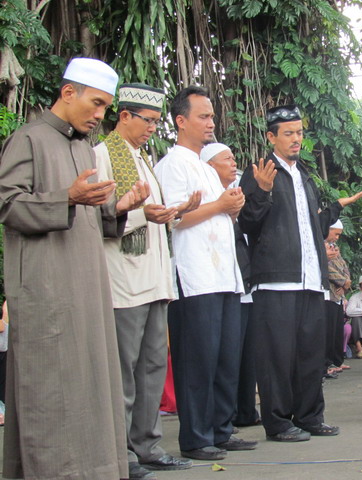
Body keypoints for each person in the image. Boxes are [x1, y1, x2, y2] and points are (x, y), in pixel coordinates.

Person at [0, 57, 150, 479]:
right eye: (97, 104)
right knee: (50, 391)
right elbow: (7, 203)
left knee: (90, 388)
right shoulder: (27, 140)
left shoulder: (82, 146)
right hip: (47, 292)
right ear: (69, 93)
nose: (101, 115)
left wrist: (117, 207)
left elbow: (90, 213)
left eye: (106, 106)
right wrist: (66, 197)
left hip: (87, 288)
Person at [238, 104, 362, 442]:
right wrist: (262, 192)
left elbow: (312, 227)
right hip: (275, 278)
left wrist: (338, 206)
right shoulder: (258, 173)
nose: (296, 139)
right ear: (271, 137)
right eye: (288, 134)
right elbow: (248, 223)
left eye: (299, 132)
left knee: (311, 354)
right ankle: (279, 423)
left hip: (311, 279)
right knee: (277, 357)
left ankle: (310, 416)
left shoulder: (304, 175)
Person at [94, 83, 199, 479]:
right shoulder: (102, 156)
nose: (154, 128)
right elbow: (102, 218)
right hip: (122, 282)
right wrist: (144, 216)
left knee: (153, 365)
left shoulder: (141, 159)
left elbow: (149, 215)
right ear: (124, 116)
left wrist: (176, 212)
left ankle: (148, 445)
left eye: (157, 122)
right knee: (124, 370)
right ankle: (122, 452)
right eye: (149, 121)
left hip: (154, 281)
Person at [155, 86, 255, 461]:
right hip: (195, 277)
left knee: (226, 358)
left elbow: (219, 212)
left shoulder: (207, 169)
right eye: (203, 116)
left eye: (212, 116)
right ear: (181, 121)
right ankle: (196, 437)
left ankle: (221, 429)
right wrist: (219, 205)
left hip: (225, 277)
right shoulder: (172, 164)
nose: (211, 122)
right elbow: (175, 219)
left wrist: (230, 206)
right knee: (197, 360)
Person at [200, 142, 261, 427]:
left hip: (245, 283)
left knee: (248, 355)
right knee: (227, 356)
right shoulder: (207, 196)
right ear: (210, 165)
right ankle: (226, 416)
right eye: (228, 159)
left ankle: (247, 411)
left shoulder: (239, 193)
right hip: (217, 284)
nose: (234, 163)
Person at [325, 219, 351, 377]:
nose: (337, 238)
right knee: (327, 332)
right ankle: (326, 363)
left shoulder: (334, 247)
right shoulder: (320, 244)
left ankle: (336, 360)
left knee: (336, 330)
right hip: (328, 294)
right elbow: (327, 268)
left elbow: (343, 265)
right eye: (336, 234)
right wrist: (342, 281)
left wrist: (347, 282)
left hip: (339, 295)